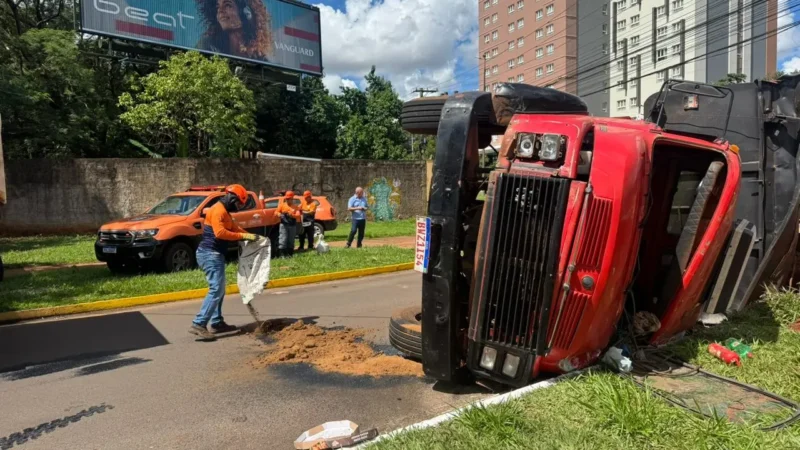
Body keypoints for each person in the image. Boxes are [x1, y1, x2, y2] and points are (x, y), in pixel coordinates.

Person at [190, 184, 259, 340]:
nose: (238, 207)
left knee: (219, 290)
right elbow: (220, 233)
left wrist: (251, 236)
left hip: (215, 255)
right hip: (209, 254)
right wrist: (243, 237)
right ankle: (199, 324)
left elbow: (235, 228)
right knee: (216, 289)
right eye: (238, 203)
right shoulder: (218, 210)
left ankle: (217, 322)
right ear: (232, 198)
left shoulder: (225, 212)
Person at [197, 0, 273, 60]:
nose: (220, 10)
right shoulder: (208, 44)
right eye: (218, 7)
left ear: (246, 13)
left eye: (227, 5)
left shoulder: (259, 58)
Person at [275, 191, 300, 257]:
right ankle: (281, 255)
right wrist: (280, 214)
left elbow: (298, 215)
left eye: (289, 198)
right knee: (283, 239)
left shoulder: (295, 207)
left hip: (292, 225)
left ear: (292, 198)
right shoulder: (282, 205)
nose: (288, 200)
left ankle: (289, 254)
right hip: (284, 225)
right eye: (287, 198)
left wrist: (292, 215)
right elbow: (276, 212)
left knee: (291, 240)